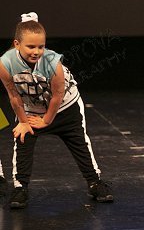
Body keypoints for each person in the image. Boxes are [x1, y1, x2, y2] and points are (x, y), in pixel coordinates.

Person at [0, 12, 113, 209]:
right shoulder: (5, 64)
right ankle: (20, 187)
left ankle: (94, 182)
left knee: (79, 142)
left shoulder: (52, 63)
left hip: (64, 107)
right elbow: (14, 96)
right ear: (17, 44)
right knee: (23, 139)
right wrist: (24, 122)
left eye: (41, 47)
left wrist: (46, 121)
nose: (36, 51)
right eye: (30, 47)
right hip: (31, 110)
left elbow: (57, 96)